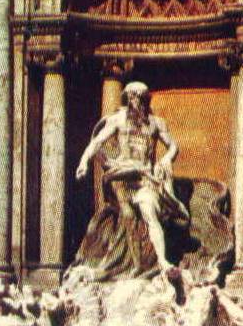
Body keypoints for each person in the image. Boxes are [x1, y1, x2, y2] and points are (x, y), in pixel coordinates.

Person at [73, 82, 188, 280]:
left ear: (146, 99)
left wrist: (167, 158)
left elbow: (173, 146)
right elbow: (97, 142)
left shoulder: (156, 123)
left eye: (141, 97)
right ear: (127, 98)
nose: (137, 101)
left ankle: (162, 261)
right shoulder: (118, 120)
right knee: (128, 215)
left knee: (149, 210)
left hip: (144, 178)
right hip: (121, 178)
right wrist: (84, 161)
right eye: (133, 97)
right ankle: (136, 264)